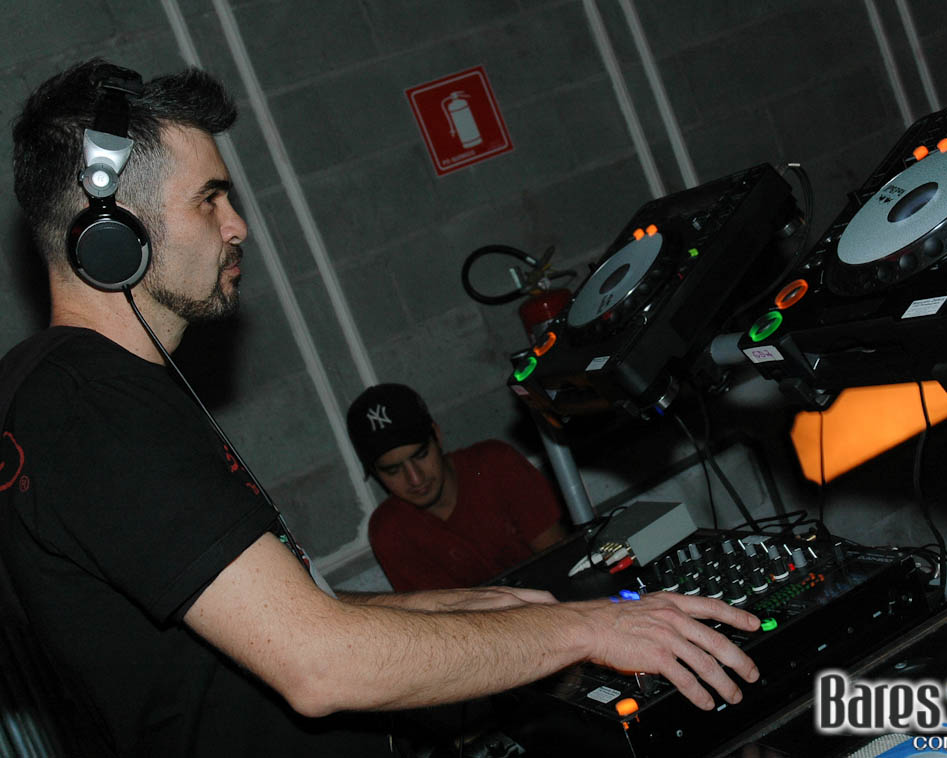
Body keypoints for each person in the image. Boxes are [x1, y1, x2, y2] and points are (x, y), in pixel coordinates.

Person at [0, 59, 762, 758]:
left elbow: (249, 634)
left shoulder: (70, 396)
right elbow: (318, 666)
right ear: (111, 233)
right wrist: (588, 627)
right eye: (210, 199)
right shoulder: (92, 409)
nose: (238, 226)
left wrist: (458, 609)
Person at [346, 383, 568, 591]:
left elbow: (563, 564)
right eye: (393, 470)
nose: (415, 478)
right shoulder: (390, 531)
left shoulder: (495, 464)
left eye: (421, 455)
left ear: (437, 435)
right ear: (375, 473)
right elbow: (442, 615)